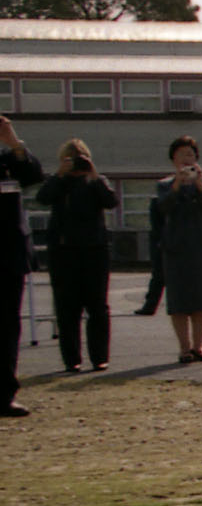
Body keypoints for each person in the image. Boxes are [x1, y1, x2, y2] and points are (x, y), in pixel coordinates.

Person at [36, 139, 117, 372]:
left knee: (97, 306)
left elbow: (111, 202)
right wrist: (59, 175)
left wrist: (93, 175)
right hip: (63, 250)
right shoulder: (59, 183)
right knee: (66, 306)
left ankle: (100, 356)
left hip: (94, 249)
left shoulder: (96, 181)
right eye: (71, 157)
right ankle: (72, 359)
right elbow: (42, 198)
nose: (77, 162)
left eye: (80, 156)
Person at [152, 135, 202, 363]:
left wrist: (199, 183)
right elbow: (163, 207)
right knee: (179, 300)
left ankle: (199, 347)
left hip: (201, 243)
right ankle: (184, 348)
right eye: (181, 155)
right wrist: (178, 184)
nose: (186, 159)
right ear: (173, 159)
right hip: (175, 245)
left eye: (190, 154)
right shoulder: (164, 185)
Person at [1, 115, 43, 415]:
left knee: (6, 325)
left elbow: (32, 175)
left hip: (7, 252)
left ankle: (4, 395)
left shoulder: (9, 158)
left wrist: (14, 143)